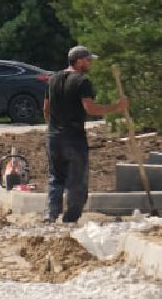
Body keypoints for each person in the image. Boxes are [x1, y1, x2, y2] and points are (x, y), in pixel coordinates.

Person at [42, 44, 128, 224]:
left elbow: (46, 108)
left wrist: (53, 127)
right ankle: (70, 219)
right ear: (79, 61)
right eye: (88, 60)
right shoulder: (82, 81)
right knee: (77, 182)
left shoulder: (53, 79)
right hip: (73, 139)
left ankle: (51, 215)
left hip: (54, 138)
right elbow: (90, 108)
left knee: (56, 178)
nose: (90, 64)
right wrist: (117, 107)